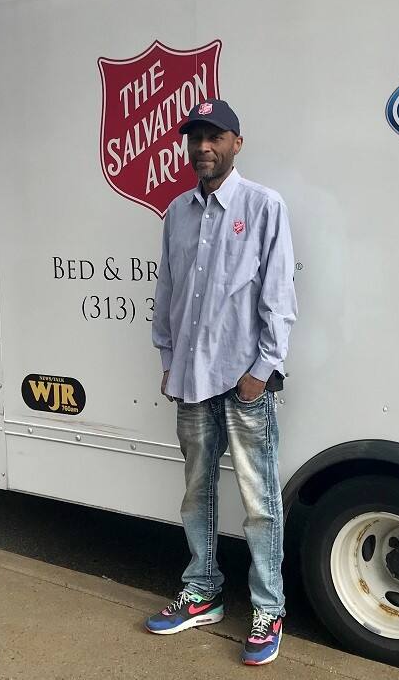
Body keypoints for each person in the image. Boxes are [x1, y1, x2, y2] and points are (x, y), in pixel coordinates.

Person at [146, 98, 297, 666]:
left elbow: (279, 299)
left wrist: (261, 372)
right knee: (197, 494)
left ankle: (269, 608)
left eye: (214, 137)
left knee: (259, 502)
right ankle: (202, 590)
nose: (202, 147)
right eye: (195, 138)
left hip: (242, 383)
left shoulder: (263, 207)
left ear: (237, 142)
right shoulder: (178, 213)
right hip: (189, 378)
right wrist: (167, 357)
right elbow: (168, 292)